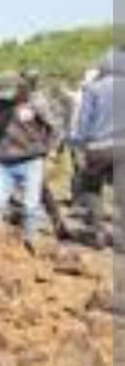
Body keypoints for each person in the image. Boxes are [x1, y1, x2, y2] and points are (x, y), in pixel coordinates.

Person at [0, 72, 57, 248]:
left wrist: (50, 150)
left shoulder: (35, 104)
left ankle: (31, 240)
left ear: (20, 89)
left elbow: (53, 127)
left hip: (31, 160)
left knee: (31, 205)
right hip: (4, 162)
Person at [71, 48, 123, 247]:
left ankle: (98, 231)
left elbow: (84, 122)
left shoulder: (93, 89)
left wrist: (78, 142)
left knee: (92, 187)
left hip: (98, 147)